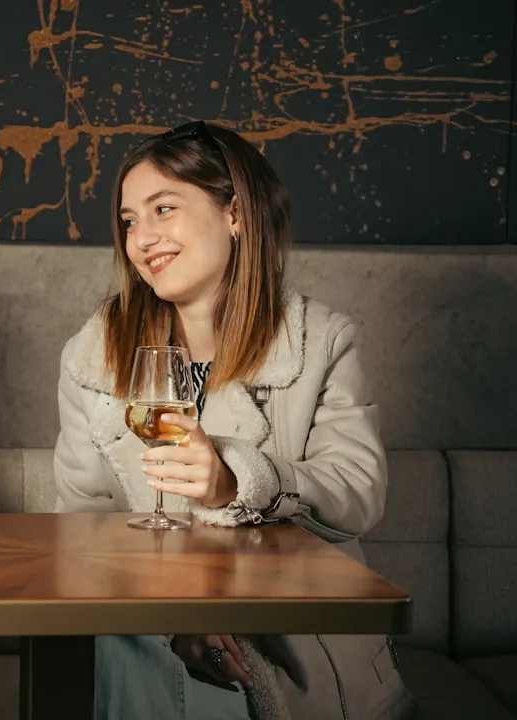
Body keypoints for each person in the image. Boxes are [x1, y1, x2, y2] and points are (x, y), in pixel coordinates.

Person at [53, 121, 413, 719]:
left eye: (163, 208)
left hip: (296, 633)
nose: (141, 238)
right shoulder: (93, 355)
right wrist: (176, 619)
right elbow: (81, 526)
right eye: (129, 220)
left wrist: (242, 479)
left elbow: (357, 493)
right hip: (148, 631)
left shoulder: (320, 340)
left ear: (236, 215)